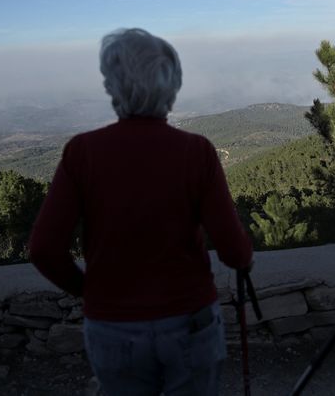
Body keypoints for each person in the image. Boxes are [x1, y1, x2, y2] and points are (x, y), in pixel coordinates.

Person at [29, 28, 253, 396]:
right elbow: (233, 251)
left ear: (112, 86)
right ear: (172, 86)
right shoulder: (196, 152)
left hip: (112, 327)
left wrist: (90, 291)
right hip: (189, 320)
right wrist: (246, 257)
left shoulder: (82, 152)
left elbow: (43, 250)